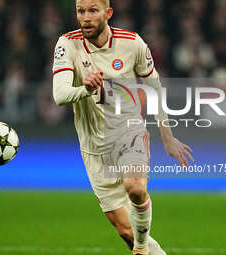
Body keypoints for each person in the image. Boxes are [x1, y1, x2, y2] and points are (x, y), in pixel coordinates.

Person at [52, 0, 194, 254]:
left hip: (129, 134)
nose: (85, 18)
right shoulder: (67, 44)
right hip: (94, 148)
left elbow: (154, 87)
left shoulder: (132, 43)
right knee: (126, 231)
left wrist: (168, 137)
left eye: (93, 11)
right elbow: (60, 95)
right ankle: (141, 247)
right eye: (80, 11)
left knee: (136, 188)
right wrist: (85, 87)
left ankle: (139, 250)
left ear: (108, 13)